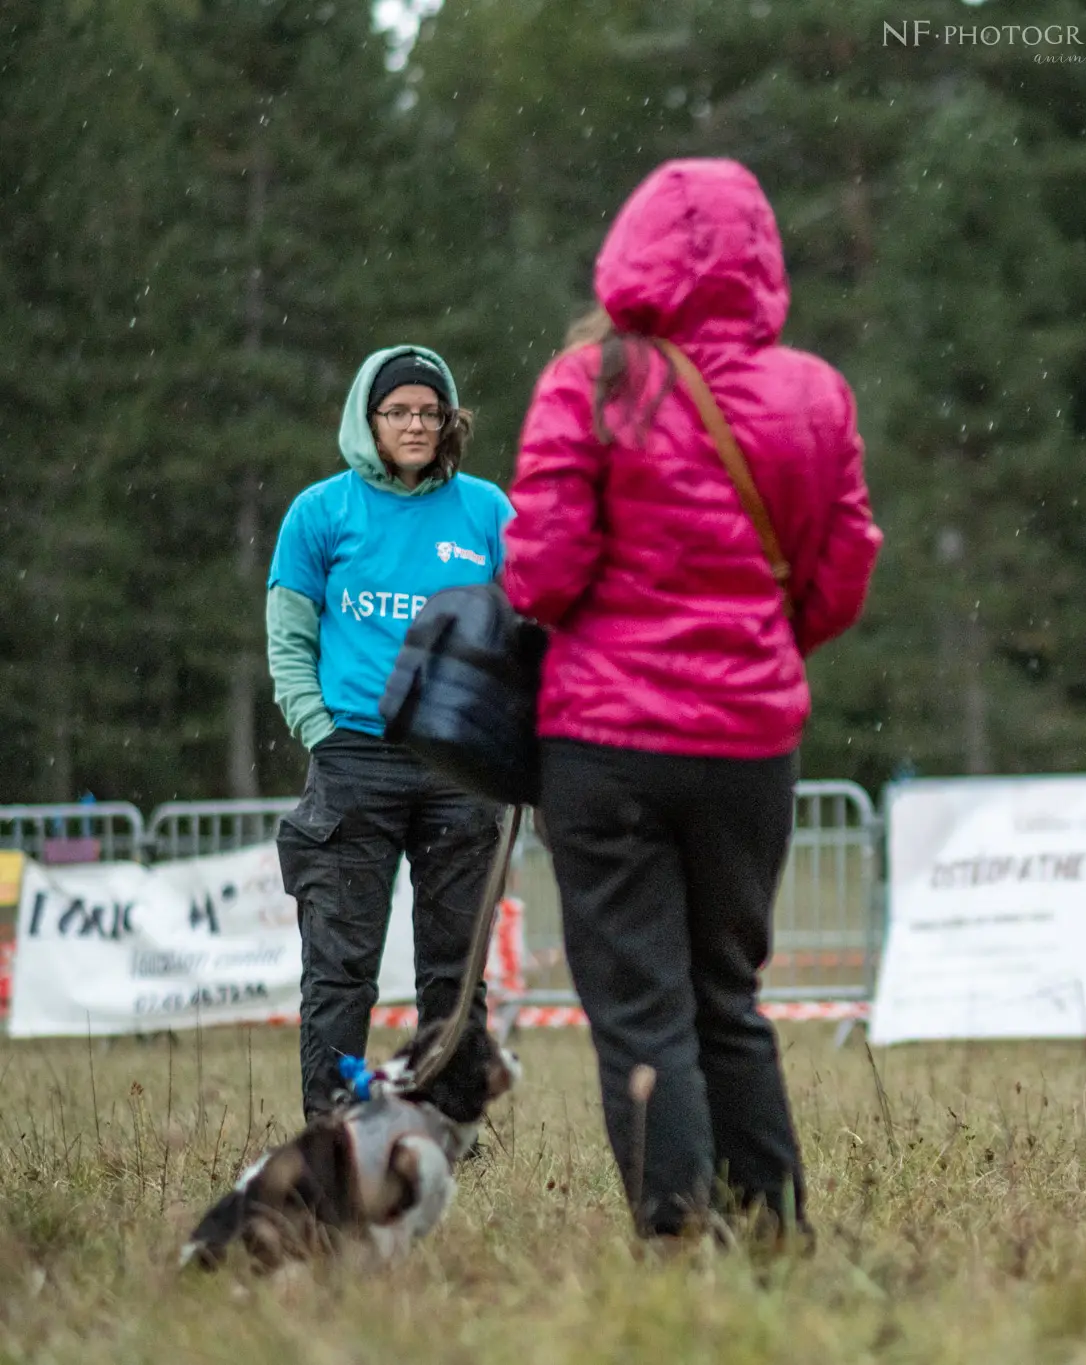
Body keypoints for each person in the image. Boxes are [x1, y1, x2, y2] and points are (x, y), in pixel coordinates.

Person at [503, 159, 882, 1239]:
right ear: (764, 261)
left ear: (629, 251)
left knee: (639, 1011)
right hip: (749, 743)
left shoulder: (592, 380)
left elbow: (541, 573)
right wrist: (756, 640)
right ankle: (774, 1232)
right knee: (728, 1000)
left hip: (605, 742)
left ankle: (675, 1243)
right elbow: (841, 568)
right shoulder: (814, 391)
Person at [267, 346, 513, 1120]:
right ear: (367, 420)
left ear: (449, 421)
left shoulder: (488, 513)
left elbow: (527, 626)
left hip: (461, 767)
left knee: (456, 968)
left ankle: (448, 1127)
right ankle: (333, 1123)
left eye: (428, 411)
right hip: (356, 763)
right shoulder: (320, 513)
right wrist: (321, 731)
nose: (415, 424)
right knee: (341, 968)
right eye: (398, 411)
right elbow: (288, 636)